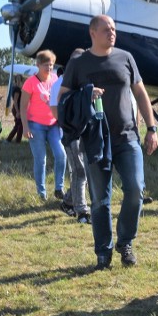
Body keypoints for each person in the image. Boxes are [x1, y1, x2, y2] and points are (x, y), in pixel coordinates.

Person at [61, 15, 158, 271]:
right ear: (92, 33)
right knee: (100, 200)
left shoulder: (125, 57)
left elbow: (140, 92)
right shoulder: (78, 64)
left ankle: (125, 242)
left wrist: (151, 128)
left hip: (127, 137)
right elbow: (63, 98)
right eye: (106, 29)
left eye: (114, 29)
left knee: (136, 190)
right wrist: (85, 94)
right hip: (95, 141)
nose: (112, 33)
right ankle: (103, 252)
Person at [50, 50, 91, 224]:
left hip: (86, 131)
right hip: (70, 133)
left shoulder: (85, 81)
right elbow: (54, 107)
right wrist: (66, 125)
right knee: (79, 170)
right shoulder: (60, 83)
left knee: (83, 171)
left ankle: (68, 200)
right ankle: (81, 210)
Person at [21, 50, 67, 200]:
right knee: (41, 159)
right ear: (38, 64)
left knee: (61, 155)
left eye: (51, 65)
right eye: (46, 65)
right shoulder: (30, 82)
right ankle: (41, 193)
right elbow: (22, 106)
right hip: (35, 125)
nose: (49, 68)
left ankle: (59, 188)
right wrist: (25, 127)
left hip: (53, 124)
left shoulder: (55, 79)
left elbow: (60, 100)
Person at [6, 74, 25, 143]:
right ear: (16, 79)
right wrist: (17, 111)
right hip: (17, 108)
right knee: (18, 125)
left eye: (20, 79)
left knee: (20, 125)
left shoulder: (18, 88)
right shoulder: (17, 89)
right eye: (18, 79)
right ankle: (9, 139)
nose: (19, 80)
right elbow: (15, 101)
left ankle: (17, 140)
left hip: (19, 108)